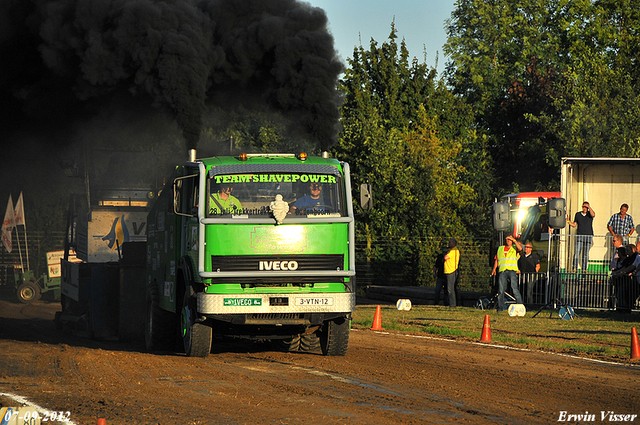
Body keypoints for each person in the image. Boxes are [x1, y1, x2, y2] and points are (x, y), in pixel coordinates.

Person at [491, 235, 524, 312]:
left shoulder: (514, 248)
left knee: (514, 288)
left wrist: (514, 240)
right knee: (501, 290)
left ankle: (520, 306)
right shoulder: (500, 249)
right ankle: (500, 308)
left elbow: (520, 248)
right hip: (502, 270)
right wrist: (494, 269)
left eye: (510, 240)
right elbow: (497, 259)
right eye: (507, 240)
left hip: (512, 270)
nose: (508, 241)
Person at [567, 201, 596, 272]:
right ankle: (574, 267)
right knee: (577, 252)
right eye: (584, 207)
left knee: (586, 253)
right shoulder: (578, 214)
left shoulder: (589, 214)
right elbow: (574, 225)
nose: (585, 208)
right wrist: (568, 221)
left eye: (586, 207)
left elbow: (593, 215)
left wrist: (589, 207)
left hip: (588, 236)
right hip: (580, 235)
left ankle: (584, 268)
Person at [444, 238, 460, 307]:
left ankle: (452, 304)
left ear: (454, 243)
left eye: (450, 242)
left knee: (450, 289)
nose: (449, 244)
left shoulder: (453, 251)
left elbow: (446, 257)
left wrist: (445, 252)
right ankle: (451, 303)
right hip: (449, 270)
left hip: (451, 270)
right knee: (450, 288)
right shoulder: (453, 251)